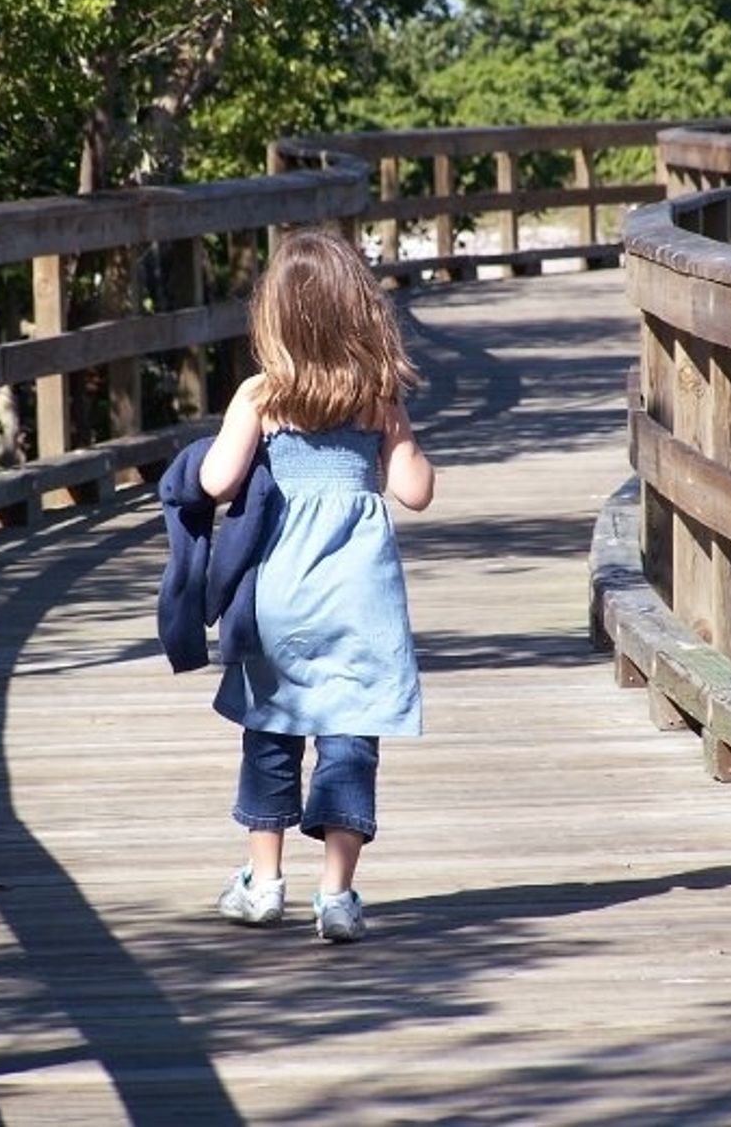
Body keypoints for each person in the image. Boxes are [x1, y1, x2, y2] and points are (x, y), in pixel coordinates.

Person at [198, 225, 434, 943]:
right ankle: (336, 894)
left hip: (281, 596)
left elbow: (217, 481)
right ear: (360, 311)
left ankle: (264, 882)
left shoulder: (260, 396)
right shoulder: (377, 397)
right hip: (361, 601)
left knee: (271, 729)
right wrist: (402, 444)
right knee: (349, 736)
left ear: (274, 316)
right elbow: (416, 491)